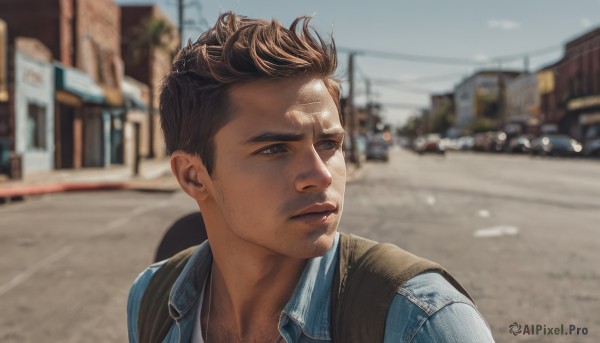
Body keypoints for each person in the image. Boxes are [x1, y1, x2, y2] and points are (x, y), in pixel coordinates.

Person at [127, 12, 495, 343]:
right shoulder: (152, 298)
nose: (320, 175)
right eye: (274, 149)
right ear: (193, 176)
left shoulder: (421, 323)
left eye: (329, 144)